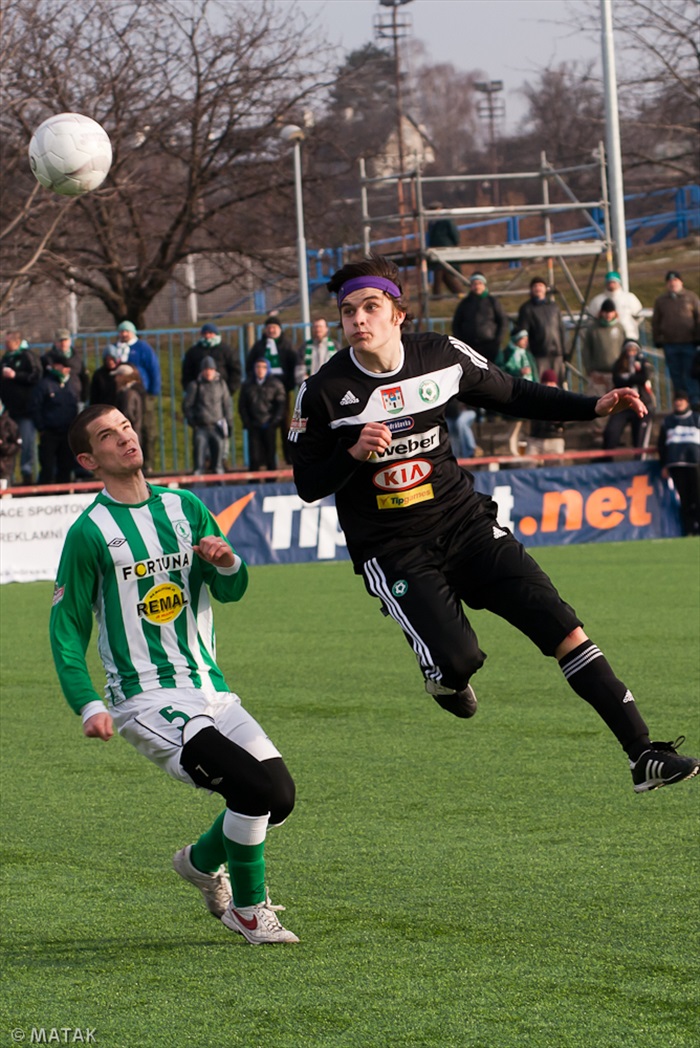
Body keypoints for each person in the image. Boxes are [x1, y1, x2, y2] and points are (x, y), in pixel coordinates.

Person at [289, 253, 699, 794]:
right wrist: (353, 455)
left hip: (466, 524)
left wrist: (592, 407)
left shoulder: (439, 355)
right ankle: (445, 677)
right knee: (461, 659)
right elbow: (308, 483)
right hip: (394, 550)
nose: (358, 319)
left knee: (560, 624)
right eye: (348, 312)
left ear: (398, 315)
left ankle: (642, 753)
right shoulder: (322, 390)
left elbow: (514, 392)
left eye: (371, 307)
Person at [49, 404, 298, 944]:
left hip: (210, 688)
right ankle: (248, 911)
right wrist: (88, 702)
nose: (125, 439)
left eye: (127, 427)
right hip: (147, 700)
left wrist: (226, 560)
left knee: (277, 795)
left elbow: (230, 589)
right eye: (108, 437)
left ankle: (200, 863)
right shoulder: (90, 532)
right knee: (252, 790)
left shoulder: (185, 507)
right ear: (89, 459)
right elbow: (65, 627)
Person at [111, 321, 161, 472]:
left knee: (146, 427)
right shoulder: (115, 348)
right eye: (122, 331)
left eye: (127, 331)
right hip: (122, 393)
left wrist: (153, 391)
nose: (124, 334)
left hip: (142, 392)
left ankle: (147, 463)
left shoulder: (142, 348)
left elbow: (153, 369)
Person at [246, 316, 298, 461]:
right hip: (262, 391)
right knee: (265, 425)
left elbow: (294, 365)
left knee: (286, 424)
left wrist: (288, 385)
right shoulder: (259, 346)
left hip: (283, 390)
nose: (272, 329)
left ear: (279, 329)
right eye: (269, 327)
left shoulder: (287, 345)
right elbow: (250, 365)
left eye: (274, 327)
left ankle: (289, 457)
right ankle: (266, 460)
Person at [29, 348, 79, 484]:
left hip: (67, 432)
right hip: (49, 432)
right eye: (63, 366)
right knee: (48, 466)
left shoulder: (72, 383)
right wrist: (42, 428)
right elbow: (35, 407)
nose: (66, 370)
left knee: (66, 466)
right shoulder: (45, 384)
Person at [651, 271, 700, 409]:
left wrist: (698, 338)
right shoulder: (661, 301)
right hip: (670, 344)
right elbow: (656, 321)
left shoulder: (691, 297)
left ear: (681, 282)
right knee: (675, 374)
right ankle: (680, 401)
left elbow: (698, 318)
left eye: (676, 280)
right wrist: (657, 338)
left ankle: (695, 400)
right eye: (670, 281)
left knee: (691, 373)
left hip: (689, 342)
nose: (673, 283)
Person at [0, 329, 41, 483]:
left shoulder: (27, 356)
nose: (5, 344)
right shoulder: (5, 359)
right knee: (7, 445)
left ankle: (27, 475)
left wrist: (16, 375)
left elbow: (36, 376)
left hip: (25, 410)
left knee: (25, 443)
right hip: (9, 411)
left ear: (17, 342)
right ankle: (7, 477)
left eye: (8, 341)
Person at [657, 390, 700, 536]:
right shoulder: (668, 421)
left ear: (687, 402)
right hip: (676, 464)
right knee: (684, 499)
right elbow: (661, 445)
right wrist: (664, 464)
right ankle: (688, 529)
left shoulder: (696, 419)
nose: (678, 403)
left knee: (697, 497)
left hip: (694, 463)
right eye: (676, 400)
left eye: (681, 400)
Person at [603, 340, 654, 455]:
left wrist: (629, 378)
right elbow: (617, 380)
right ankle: (606, 458)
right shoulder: (619, 364)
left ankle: (639, 460)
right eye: (629, 350)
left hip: (641, 403)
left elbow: (644, 377)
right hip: (623, 405)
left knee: (639, 436)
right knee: (611, 432)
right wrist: (632, 378)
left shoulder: (643, 362)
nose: (631, 353)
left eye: (634, 350)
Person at [183, 356, 233, 475]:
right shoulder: (195, 385)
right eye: (206, 369)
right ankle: (197, 484)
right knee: (199, 461)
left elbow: (227, 405)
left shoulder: (221, 384)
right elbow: (187, 405)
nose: (208, 372)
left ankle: (220, 485)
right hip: (201, 427)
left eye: (211, 369)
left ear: (215, 370)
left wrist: (229, 424)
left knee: (218, 462)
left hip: (217, 427)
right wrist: (193, 421)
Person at [238, 358, 287, 471]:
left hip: (269, 423)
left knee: (270, 454)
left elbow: (280, 405)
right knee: (254, 456)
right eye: (258, 367)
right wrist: (248, 422)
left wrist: (274, 422)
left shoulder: (275, 384)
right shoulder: (247, 385)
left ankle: (271, 482)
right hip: (253, 424)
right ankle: (254, 482)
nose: (260, 370)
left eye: (263, 367)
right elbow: (242, 406)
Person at [516, 277, 567, 381]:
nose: (538, 288)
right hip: (538, 355)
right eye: (535, 286)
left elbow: (561, 329)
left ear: (545, 289)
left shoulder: (554, 307)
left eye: (540, 285)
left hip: (557, 354)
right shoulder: (526, 309)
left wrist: (564, 350)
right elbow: (523, 333)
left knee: (558, 385)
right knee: (541, 386)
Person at [451, 272, 507, 364]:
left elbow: (502, 321)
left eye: (479, 283)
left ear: (484, 285)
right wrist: (460, 341)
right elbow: (456, 323)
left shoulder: (492, 302)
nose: (477, 286)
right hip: (469, 345)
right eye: (474, 284)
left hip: (489, 344)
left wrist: (497, 341)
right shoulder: (465, 303)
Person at [181, 323, 242, 397]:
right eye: (205, 333)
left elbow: (235, 370)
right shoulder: (193, 352)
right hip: (199, 394)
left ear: (216, 334)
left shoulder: (226, 350)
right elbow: (187, 373)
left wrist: (229, 390)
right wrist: (191, 390)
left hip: (222, 393)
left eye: (210, 333)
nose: (207, 336)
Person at [588, 271, 644, 340]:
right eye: (609, 282)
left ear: (619, 282)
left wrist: (631, 327)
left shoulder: (630, 298)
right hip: (606, 340)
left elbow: (639, 316)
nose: (611, 284)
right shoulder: (597, 301)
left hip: (628, 337)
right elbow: (591, 320)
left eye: (614, 282)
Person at [42, 329, 89, 407]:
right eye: (60, 340)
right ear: (55, 342)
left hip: (75, 398)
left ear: (70, 341)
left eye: (65, 340)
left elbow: (84, 378)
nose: (63, 343)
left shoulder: (77, 358)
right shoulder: (47, 359)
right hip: (54, 401)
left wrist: (83, 398)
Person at [526, 369, 566, 459]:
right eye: (546, 382)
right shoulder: (535, 397)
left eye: (551, 382)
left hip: (554, 438)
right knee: (528, 465)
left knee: (556, 469)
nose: (548, 385)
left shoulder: (562, 398)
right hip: (536, 438)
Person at [426, 203, 462, 296]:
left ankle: (436, 295)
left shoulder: (446, 220)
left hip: (445, 249)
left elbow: (454, 234)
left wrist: (452, 246)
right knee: (446, 274)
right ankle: (459, 293)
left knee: (440, 272)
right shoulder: (432, 223)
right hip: (436, 250)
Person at [111, 363, 146, 448]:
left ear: (124, 377)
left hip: (129, 436)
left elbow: (127, 416)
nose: (115, 380)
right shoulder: (137, 390)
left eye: (118, 376)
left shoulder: (128, 394)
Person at [0, 398, 21, 489]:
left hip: (5, 468)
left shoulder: (10, 424)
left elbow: (17, 445)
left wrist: (2, 445)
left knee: (6, 496)